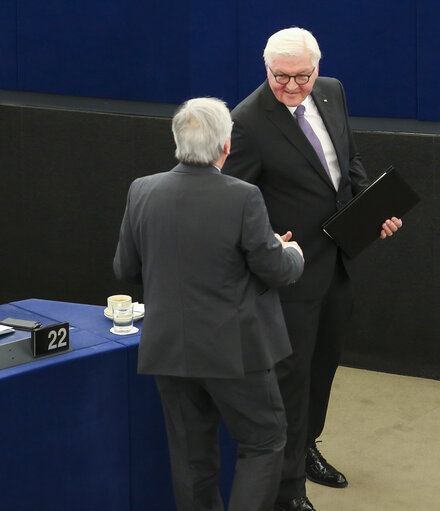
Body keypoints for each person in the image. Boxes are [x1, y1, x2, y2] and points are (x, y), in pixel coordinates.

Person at [222, 27, 401, 511]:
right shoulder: (246, 121)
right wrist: (264, 244)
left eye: (303, 75)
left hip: (339, 259)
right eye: (282, 77)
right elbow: (232, 199)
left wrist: (370, 207)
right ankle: (288, 490)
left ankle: (306, 447)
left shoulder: (333, 91)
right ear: (266, 69)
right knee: (292, 376)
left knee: (324, 364)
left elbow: (348, 160)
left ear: (317, 69)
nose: (294, 86)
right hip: (291, 271)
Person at [114, 97, 305, 511]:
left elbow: (125, 269)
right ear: (227, 146)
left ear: (178, 141)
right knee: (263, 443)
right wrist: (289, 252)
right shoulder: (243, 197)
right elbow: (274, 269)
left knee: (190, 459)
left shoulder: (142, 190)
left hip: (169, 349)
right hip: (235, 353)